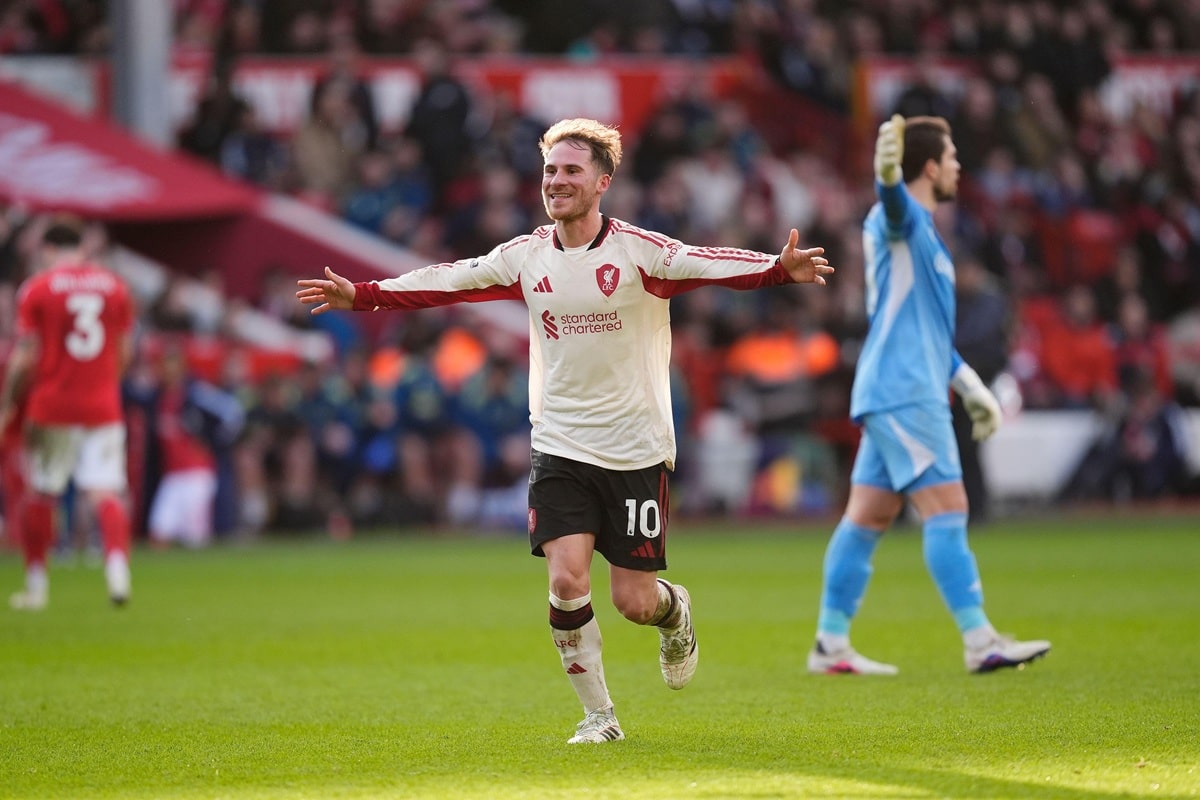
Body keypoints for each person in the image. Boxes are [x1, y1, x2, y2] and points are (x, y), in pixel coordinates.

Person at [297, 118, 834, 743]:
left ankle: (674, 611)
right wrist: (362, 294)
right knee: (565, 580)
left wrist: (777, 266)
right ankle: (600, 717)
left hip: (635, 446)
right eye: (551, 170)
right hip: (559, 444)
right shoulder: (527, 258)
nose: (557, 181)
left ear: (602, 182)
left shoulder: (637, 253)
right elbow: (448, 278)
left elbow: (708, 262)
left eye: (571, 171)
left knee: (634, 601)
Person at [806, 115, 1050, 677]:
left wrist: (971, 387)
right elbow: (891, 207)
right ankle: (980, 640)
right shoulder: (903, 217)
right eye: (953, 156)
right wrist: (886, 177)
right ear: (932, 166)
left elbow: (932, 334)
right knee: (949, 510)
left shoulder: (931, 238)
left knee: (866, 518)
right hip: (907, 393)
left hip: (902, 386)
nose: (960, 166)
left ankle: (831, 643)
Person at [1, 217, 135, 610]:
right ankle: (117, 573)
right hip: (102, 405)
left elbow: (26, 355)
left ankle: (37, 586)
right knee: (104, 490)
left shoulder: (38, 288)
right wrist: (106, 385)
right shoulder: (114, 286)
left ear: (47, 250)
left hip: (52, 405)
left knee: (43, 493)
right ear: (82, 249)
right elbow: (124, 350)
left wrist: (9, 401)